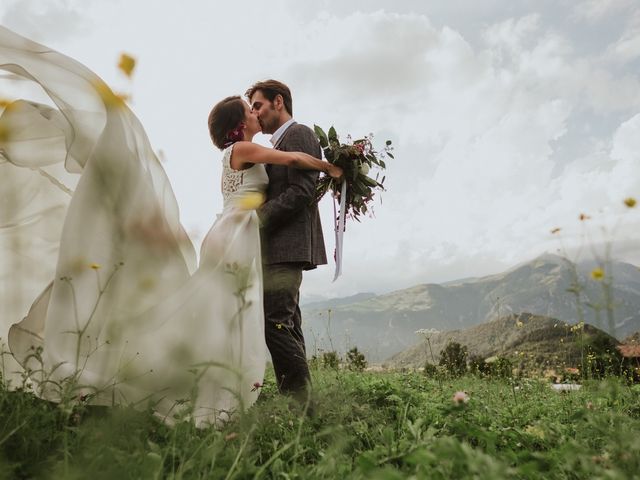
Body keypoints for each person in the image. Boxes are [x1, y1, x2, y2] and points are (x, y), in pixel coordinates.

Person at [0, 26, 340, 427]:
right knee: (249, 318)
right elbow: (294, 167)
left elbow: (293, 188)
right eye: (250, 109)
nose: (255, 111)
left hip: (232, 233)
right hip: (237, 234)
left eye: (258, 105)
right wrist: (330, 166)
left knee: (228, 315)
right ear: (238, 124)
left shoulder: (255, 146)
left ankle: (245, 389)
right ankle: (267, 400)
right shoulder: (248, 149)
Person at [245, 80, 327, 402]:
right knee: (287, 322)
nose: (255, 113)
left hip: (287, 246)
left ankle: (300, 403)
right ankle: (299, 401)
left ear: (278, 102)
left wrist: (256, 220)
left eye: (258, 106)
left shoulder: (299, 134)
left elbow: (301, 192)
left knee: (274, 322)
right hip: (276, 247)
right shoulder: (276, 147)